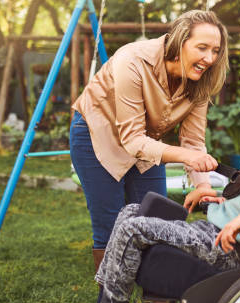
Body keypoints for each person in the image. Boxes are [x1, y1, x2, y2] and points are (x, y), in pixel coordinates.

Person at [53, 87, 240, 303]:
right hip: (215, 232)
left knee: (134, 228)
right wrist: (221, 198)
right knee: (131, 211)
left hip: (231, 252)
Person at [69, 10, 229, 273]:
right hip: (97, 136)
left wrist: (201, 185)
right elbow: (132, 139)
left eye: (215, 50)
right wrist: (187, 157)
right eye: (202, 48)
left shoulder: (201, 80)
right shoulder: (132, 60)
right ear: (179, 42)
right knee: (111, 224)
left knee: (158, 222)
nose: (209, 58)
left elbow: (193, 141)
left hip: (147, 142)